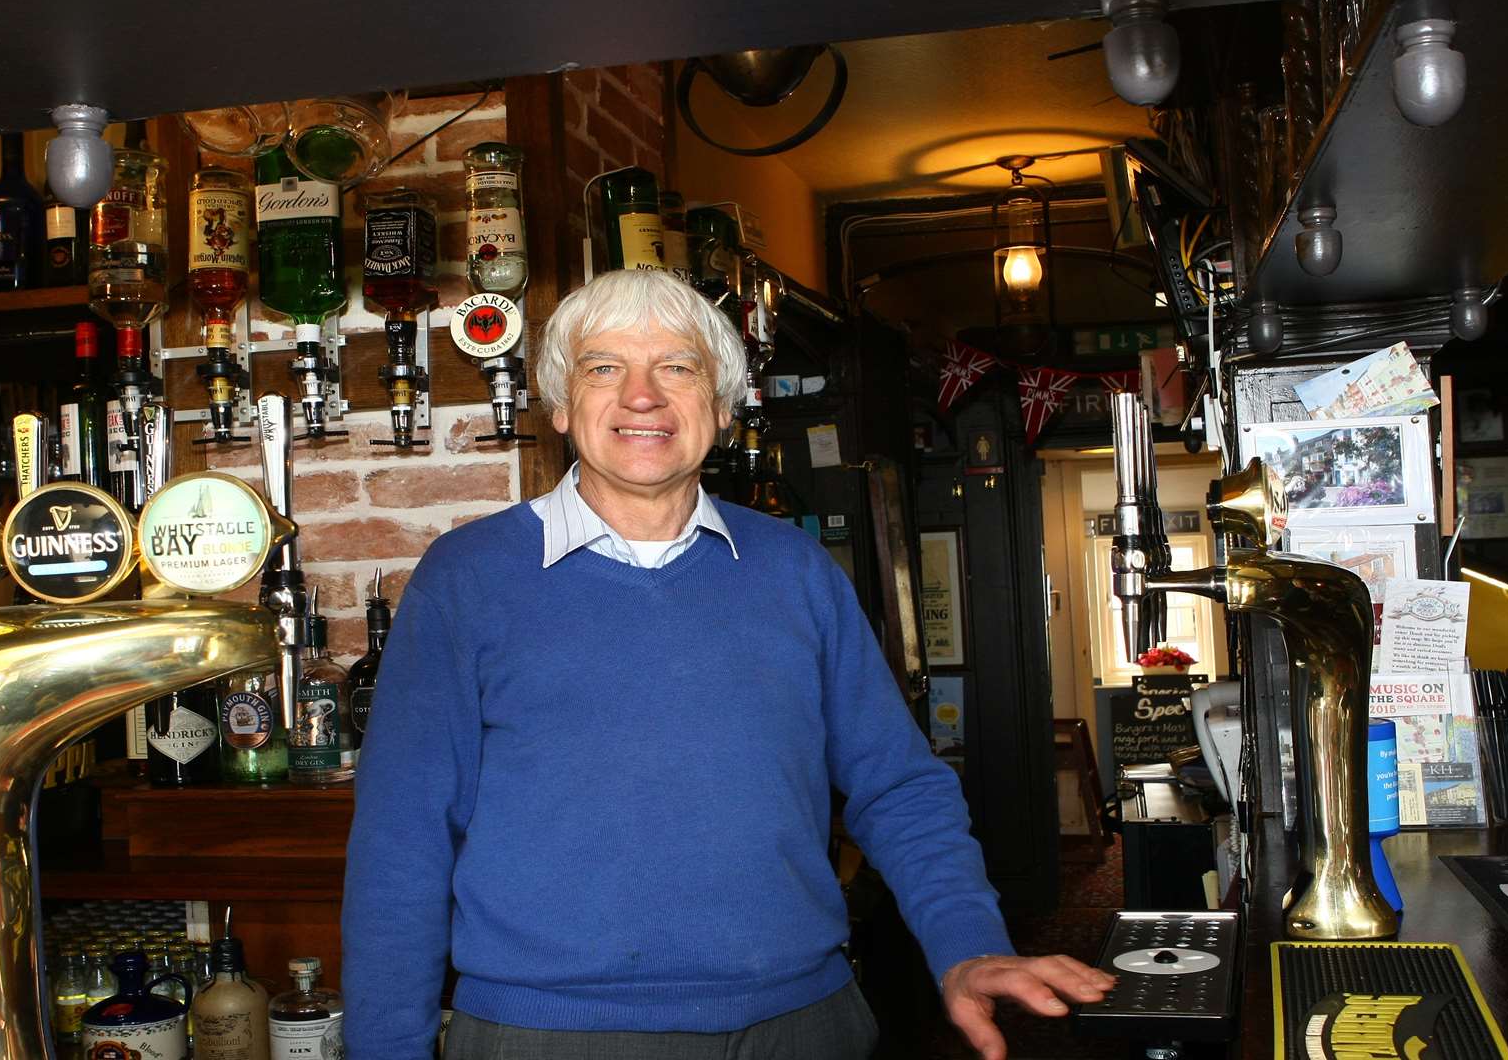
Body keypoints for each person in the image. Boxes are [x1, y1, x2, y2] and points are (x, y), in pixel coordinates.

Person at [341, 269, 1113, 1060]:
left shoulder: (796, 571)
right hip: (547, 1032)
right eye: (604, 367)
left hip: (804, 1025)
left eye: (678, 367)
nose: (642, 395)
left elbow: (898, 786)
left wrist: (967, 944)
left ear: (720, 405)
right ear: (562, 406)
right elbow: (401, 842)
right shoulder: (467, 578)